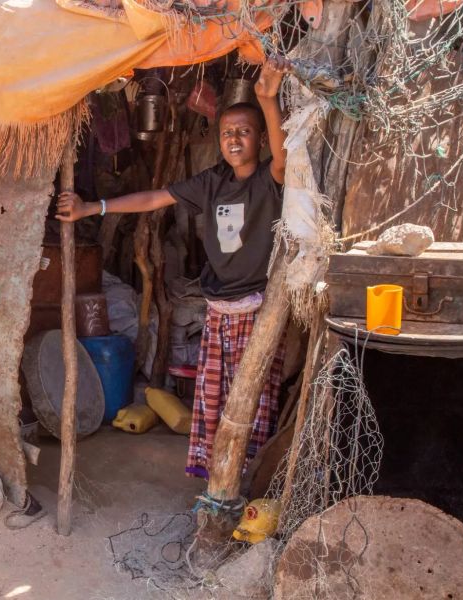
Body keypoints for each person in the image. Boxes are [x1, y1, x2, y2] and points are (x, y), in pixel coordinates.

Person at [57, 57, 292, 479]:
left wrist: (268, 101)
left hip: (256, 309)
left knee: (252, 398)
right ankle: (215, 474)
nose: (233, 139)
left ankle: (247, 475)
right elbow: (152, 199)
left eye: (244, 132)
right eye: (226, 133)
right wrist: (93, 206)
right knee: (212, 394)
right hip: (218, 308)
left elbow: (284, 159)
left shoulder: (267, 182)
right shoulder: (212, 181)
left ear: (260, 139)